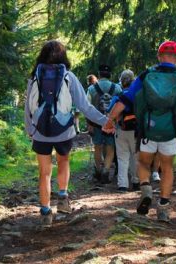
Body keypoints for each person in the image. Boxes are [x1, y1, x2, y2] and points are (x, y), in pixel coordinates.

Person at [104, 41, 176, 222]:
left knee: (144, 163)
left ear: (159, 56)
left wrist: (110, 120)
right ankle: (163, 208)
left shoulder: (146, 75)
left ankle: (146, 188)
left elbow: (125, 100)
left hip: (147, 129)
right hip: (170, 131)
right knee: (167, 167)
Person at [24, 40, 107, 227]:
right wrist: (105, 121)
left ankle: (45, 213)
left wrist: (30, 129)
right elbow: (84, 106)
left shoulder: (34, 77)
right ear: (64, 56)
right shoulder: (69, 77)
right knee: (64, 161)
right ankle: (62, 197)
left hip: (40, 131)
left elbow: (27, 108)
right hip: (63, 130)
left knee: (44, 172)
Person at [87, 65, 122, 184]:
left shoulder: (92, 89)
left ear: (99, 74)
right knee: (110, 148)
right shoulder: (117, 88)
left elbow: (87, 107)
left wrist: (89, 124)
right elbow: (123, 104)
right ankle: (106, 172)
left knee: (97, 147)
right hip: (112, 123)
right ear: (110, 75)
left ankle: (97, 171)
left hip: (96, 123)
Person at [109, 69, 140, 192]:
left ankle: (123, 185)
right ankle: (136, 181)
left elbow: (110, 112)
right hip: (136, 131)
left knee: (122, 158)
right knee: (135, 156)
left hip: (121, 130)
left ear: (121, 81)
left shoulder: (118, 97)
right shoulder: (138, 96)